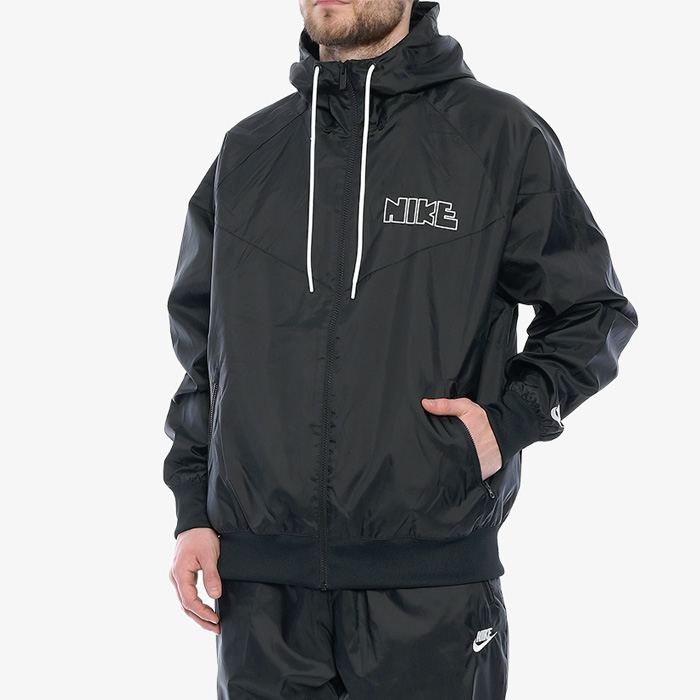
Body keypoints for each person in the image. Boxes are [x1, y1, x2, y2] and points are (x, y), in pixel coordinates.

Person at [162, 2, 638, 698]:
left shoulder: (497, 136)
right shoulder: (248, 151)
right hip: (261, 600)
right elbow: (202, 354)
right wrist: (192, 511)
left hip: (429, 592)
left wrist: (510, 420)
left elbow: (592, 309)